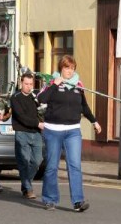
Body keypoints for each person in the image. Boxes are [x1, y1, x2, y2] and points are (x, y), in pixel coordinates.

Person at [38, 55, 101, 212]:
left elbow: (84, 107)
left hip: (73, 130)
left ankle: (78, 201)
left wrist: (94, 121)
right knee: (52, 166)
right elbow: (41, 99)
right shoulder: (52, 83)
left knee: (75, 165)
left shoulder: (78, 86)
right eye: (66, 68)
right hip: (53, 131)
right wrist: (54, 85)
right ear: (61, 69)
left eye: (72, 68)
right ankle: (49, 199)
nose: (69, 71)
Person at [11, 73, 44, 199]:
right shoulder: (15, 97)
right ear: (21, 83)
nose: (29, 87)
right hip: (22, 132)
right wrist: (38, 123)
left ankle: (26, 183)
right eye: (26, 84)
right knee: (24, 161)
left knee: (37, 161)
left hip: (36, 133)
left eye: (31, 84)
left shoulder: (35, 97)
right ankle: (28, 189)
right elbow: (21, 117)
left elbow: (42, 111)